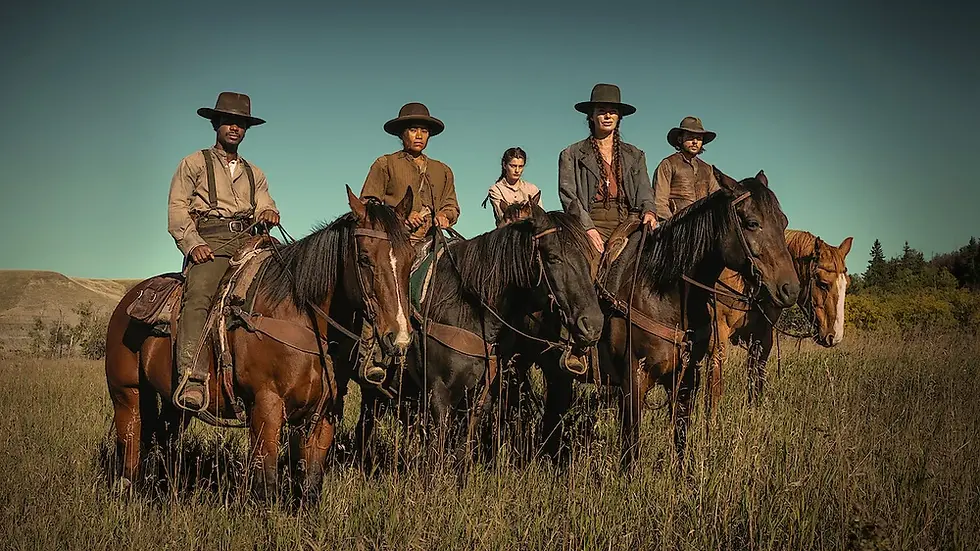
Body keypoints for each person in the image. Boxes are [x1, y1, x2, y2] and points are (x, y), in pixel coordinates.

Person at [168, 92, 280, 411]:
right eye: (229, 121)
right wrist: (193, 244)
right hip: (209, 241)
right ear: (216, 123)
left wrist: (269, 213)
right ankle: (192, 376)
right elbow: (177, 210)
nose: (235, 127)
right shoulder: (193, 163)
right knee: (199, 295)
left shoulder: (254, 173)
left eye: (241, 123)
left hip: (248, 240)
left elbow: (265, 202)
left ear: (246, 130)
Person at [558, 83, 657, 253]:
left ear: (619, 117)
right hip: (591, 220)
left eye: (613, 112)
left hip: (629, 221)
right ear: (591, 116)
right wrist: (587, 227)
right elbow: (569, 195)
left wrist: (649, 211)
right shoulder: (571, 154)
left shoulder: (635, 154)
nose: (608, 116)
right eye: (602, 111)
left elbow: (645, 190)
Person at [359, 102, 459, 243]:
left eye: (424, 131)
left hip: (433, 239)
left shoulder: (443, 170)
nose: (419, 136)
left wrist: (445, 215)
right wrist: (401, 215)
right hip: (396, 240)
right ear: (402, 134)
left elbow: (451, 204)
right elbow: (369, 205)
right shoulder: (385, 163)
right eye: (413, 130)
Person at [652, 116, 720, 222]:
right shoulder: (668, 164)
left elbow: (716, 200)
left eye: (699, 138)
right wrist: (673, 225)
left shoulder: (707, 169)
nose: (695, 141)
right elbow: (659, 201)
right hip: (675, 225)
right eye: (690, 137)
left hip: (702, 226)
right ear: (680, 139)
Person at [484, 147, 541, 227]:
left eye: (520, 166)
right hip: (506, 234)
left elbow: (540, 217)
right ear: (504, 165)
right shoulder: (496, 190)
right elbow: (503, 217)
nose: (517, 170)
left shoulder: (532, 189)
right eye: (513, 166)